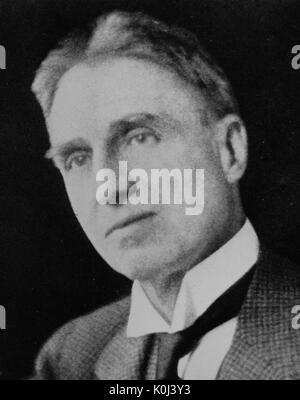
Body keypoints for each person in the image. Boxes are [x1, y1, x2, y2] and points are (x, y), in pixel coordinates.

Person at [31, 10, 300, 380]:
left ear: (230, 150)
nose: (107, 187)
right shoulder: (69, 356)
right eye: (77, 158)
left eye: (139, 137)